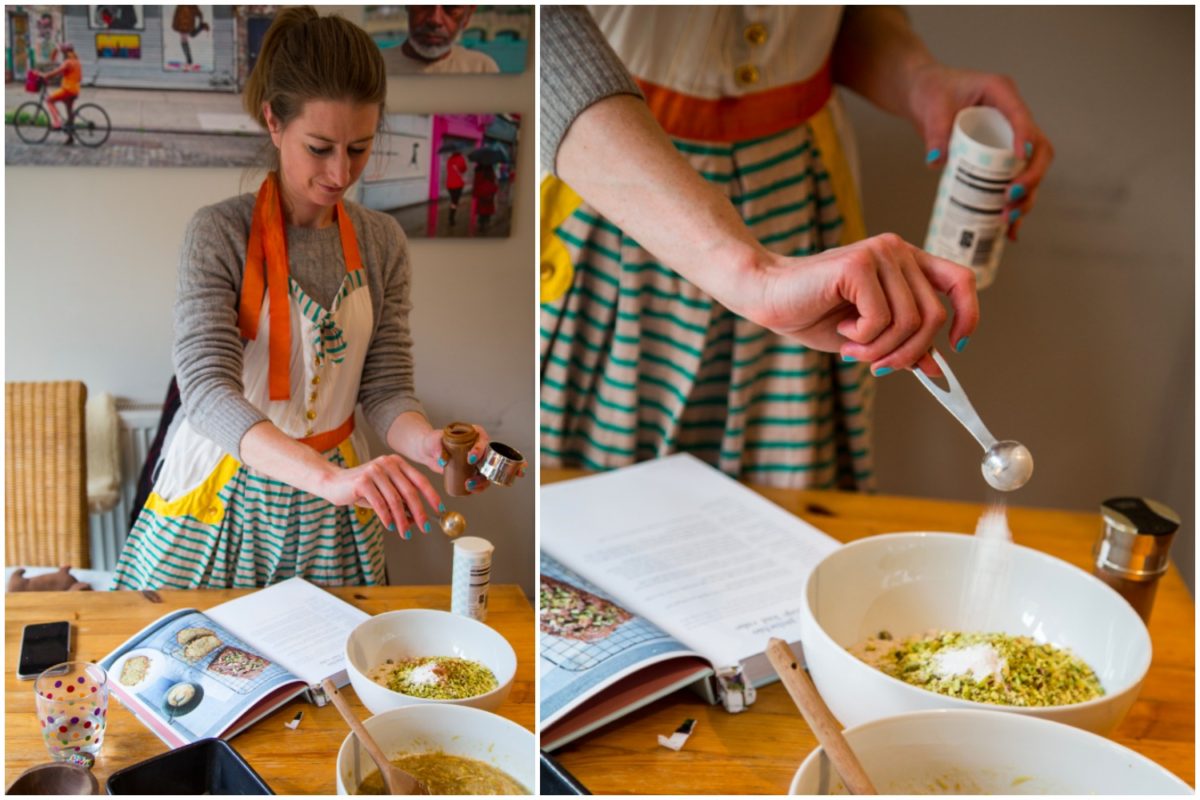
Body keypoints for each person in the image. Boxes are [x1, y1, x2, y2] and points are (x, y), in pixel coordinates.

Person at [540, 6, 1053, 490]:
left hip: (798, 201)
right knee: (591, 505)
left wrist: (917, 80)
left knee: (784, 507)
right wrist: (753, 273)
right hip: (616, 185)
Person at [111, 7, 494, 591]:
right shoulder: (218, 232)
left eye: (359, 148)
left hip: (335, 502)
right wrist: (325, 479)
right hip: (224, 492)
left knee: (335, 670)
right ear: (273, 121)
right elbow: (208, 391)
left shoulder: (381, 240)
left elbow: (386, 389)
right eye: (320, 147)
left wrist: (430, 443)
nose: (341, 172)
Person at [382, 5, 499, 75]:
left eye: (451, 7)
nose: (435, 20)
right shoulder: (373, 69)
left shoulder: (481, 69)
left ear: (468, 14)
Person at [33, 42, 81, 143]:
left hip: (67, 89)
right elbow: (78, 77)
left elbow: (57, 71)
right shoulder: (76, 61)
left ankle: (57, 122)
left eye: (62, 51)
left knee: (49, 100)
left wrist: (45, 75)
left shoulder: (68, 62)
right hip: (75, 90)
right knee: (69, 111)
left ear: (64, 52)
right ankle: (70, 137)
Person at [473, 163, 498, 234]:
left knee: (481, 208)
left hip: (480, 192)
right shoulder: (489, 169)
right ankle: (486, 221)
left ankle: (481, 223)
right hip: (489, 192)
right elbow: (493, 180)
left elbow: (476, 182)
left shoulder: (478, 169)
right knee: (488, 207)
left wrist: (475, 193)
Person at [445, 148, 468, 225]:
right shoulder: (461, 158)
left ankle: (451, 216)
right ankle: (451, 218)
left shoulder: (449, 159)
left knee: (453, 200)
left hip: (449, 184)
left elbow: (448, 170)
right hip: (458, 184)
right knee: (455, 201)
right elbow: (464, 169)